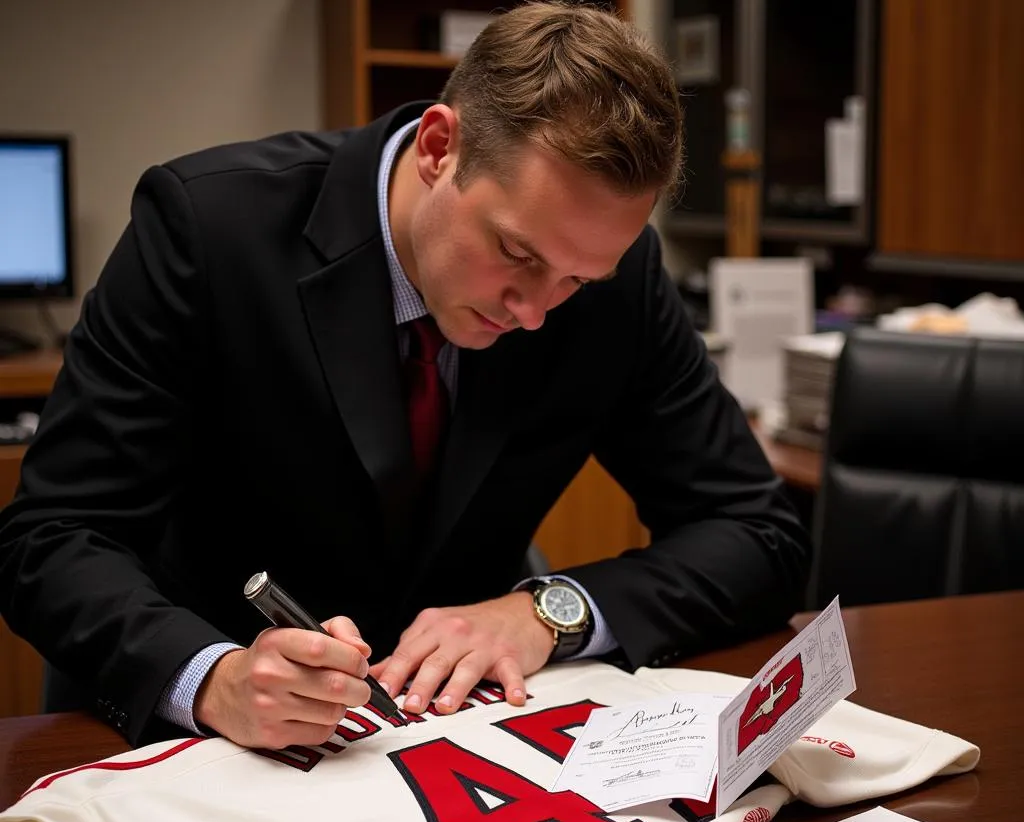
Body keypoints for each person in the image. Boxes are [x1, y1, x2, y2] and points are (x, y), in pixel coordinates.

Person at [0, 2, 809, 750]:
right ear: (437, 147)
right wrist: (213, 677)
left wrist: (546, 613)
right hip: (204, 747)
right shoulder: (208, 230)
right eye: (516, 254)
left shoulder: (612, 281)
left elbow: (756, 533)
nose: (535, 313)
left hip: (453, 739)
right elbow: (54, 537)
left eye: (576, 282)